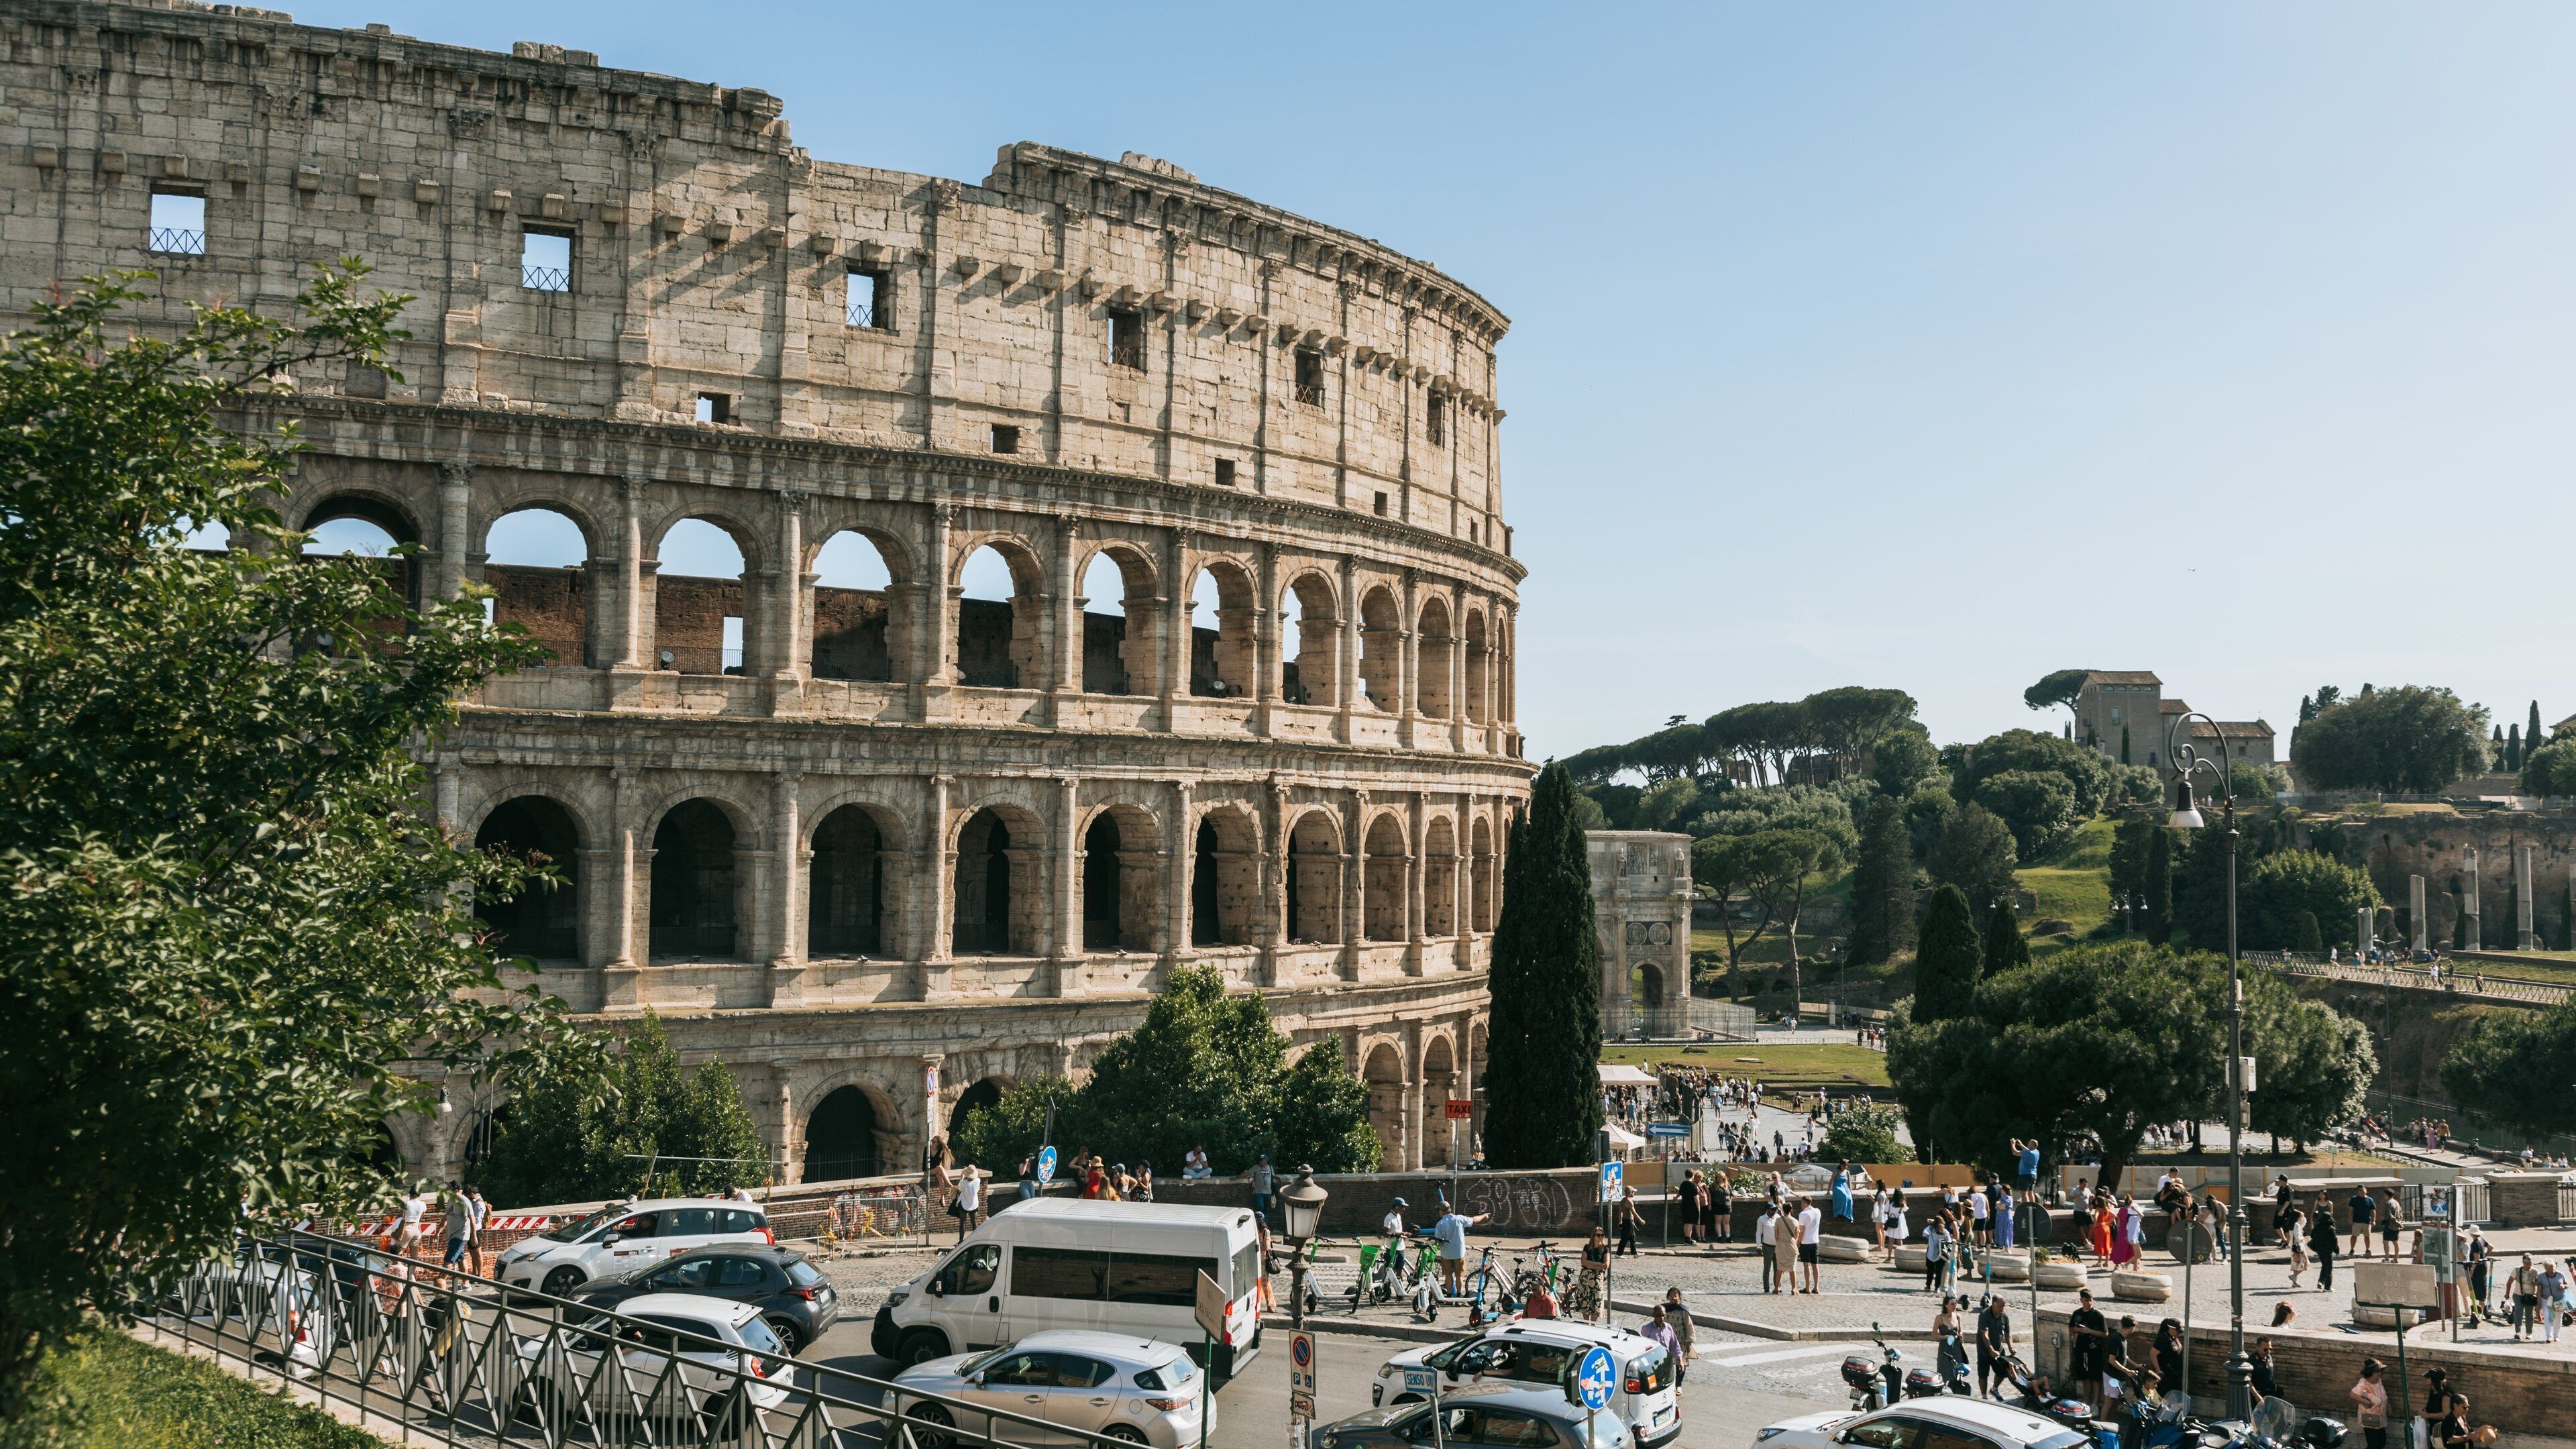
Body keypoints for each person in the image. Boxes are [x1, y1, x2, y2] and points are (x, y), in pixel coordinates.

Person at [1432, 1203, 1489, 1298]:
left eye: (1439, 1210)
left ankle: (1450, 1295)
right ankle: (1459, 1295)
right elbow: (1475, 1220)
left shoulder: (1440, 1224)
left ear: (1442, 1211)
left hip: (1446, 1254)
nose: (1438, 1212)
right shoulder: (1460, 1219)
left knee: (1448, 1276)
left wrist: (1437, 1247)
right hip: (1459, 1253)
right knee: (1459, 1276)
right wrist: (1484, 1216)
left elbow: (1438, 1241)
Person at [1976, 1294, 2014, 1399]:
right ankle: (1984, 1396)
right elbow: (1984, 1334)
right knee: (1983, 1374)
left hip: (1999, 1350)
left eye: (2003, 1306)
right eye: (2000, 1306)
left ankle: (1994, 1389)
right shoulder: (1984, 1315)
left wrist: (2011, 1347)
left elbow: (2007, 1333)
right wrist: (1991, 1349)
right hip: (1984, 1351)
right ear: (1993, 1304)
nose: (2002, 1309)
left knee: (2003, 1372)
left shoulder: (2004, 1316)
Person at [2350, 1358, 2391, 1449]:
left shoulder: (2378, 1381)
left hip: (2380, 1418)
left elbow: (2381, 1394)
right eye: (2377, 1372)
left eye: (2380, 1371)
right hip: (2370, 1419)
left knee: (2382, 1442)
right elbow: (2352, 1395)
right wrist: (2366, 1402)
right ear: (2371, 1373)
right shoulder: (2363, 1385)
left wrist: (2387, 1404)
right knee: (2374, 1445)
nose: (2380, 1373)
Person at [1571, 1226, 1611, 1320]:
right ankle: (1586, 1322)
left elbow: (1606, 1265)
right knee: (1585, 1300)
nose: (1600, 1237)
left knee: (1596, 1301)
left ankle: (1593, 1324)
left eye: (1602, 1235)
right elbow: (1583, 1262)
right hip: (1586, 1278)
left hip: (1597, 1279)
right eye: (1598, 1235)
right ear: (1593, 1236)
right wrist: (1598, 1264)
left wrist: (1591, 1265)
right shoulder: (1587, 1247)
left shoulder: (1606, 1249)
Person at [1662, 1287, 1695, 1383]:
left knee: (1680, 1362)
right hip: (1667, 1339)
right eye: (1671, 1296)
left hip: (1680, 1339)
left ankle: (1679, 1385)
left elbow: (1689, 1326)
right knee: (1666, 1361)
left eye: (1675, 1296)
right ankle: (1667, 1382)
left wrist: (1689, 1341)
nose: (1673, 1298)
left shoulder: (1683, 1311)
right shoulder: (1664, 1309)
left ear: (1679, 1297)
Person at [2508, 1254, 2542, 1341]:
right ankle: (2518, 1332)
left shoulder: (2535, 1272)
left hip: (2530, 1296)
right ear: (2523, 1263)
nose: (2529, 1266)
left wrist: (2536, 1285)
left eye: (2530, 1264)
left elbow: (2539, 1285)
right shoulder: (2517, 1270)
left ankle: (2529, 1333)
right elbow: (2509, 1282)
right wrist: (2507, 1293)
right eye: (2527, 1264)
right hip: (2518, 1295)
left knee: (2529, 1314)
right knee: (2518, 1311)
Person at [1640, 1302, 1683, 1370]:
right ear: (1654, 1315)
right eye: (1659, 1316)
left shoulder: (1668, 1327)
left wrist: (1680, 1361)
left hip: (1666, 1363)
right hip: (1652, 1364)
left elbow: (1675, 1345)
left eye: (1663, 1315)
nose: (1662, 1318)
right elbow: (1642, 1348)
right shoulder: (1647, 1329)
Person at [2310, 1199, 2341, 1293]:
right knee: (2329, 1268)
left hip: (2319, 1250)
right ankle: (2327, 1287)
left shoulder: (2318, 1226)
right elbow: (2334, 1240)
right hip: (2328, 1250)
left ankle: (2321, 1281)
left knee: (2324, 1265)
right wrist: (2336, 1249)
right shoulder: (2331, 1229)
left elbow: (2312, 1235)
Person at [1772, 1197, 1801, 1295]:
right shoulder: (1795, 1221)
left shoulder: (1778, 1221)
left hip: (1781, 1245)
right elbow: (1797, 1236)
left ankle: (1776, 1288)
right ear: (1791, 1210)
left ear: (1783, 1210)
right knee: (1792, 1268)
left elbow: (1776, 1236)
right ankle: (1794, 1289)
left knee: (1780, 1268)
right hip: (1791, 1245)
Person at [1797, 1195, 1824, 1292]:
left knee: (1806, 1266)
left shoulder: (1803, 1214)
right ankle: (1816, 1287)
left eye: (1801, 1203)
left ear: (1804, 1203)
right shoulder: (1818, 1211)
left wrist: (1798, 1241)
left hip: (1805, 1242)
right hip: (1815, 1241)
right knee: (1815, 1265)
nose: (1801, 1205)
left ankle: (1808, 1287)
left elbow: (1801, 1230)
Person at [952, 1165, 983, 1241]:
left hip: (964, 1204)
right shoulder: (978, 1181)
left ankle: (961, 1240)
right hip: (974, 1204)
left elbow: (959, 1189)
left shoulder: (964, 1183)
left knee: (963, 1222)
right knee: (974, 1223)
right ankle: (977, 1239)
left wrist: (962, 1178)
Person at [1754, 1203, 1780, 1293]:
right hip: (1767, 1246)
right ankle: (1766, 1287)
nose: (1774, 1212)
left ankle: (1777, 1286)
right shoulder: (1761, 1219)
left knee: (1778, 1268)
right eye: (1772, 1210)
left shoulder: (1778, 1218)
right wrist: (1758, 1246)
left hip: (1777, 1246)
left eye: (1775, 1210)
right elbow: (1758, 1233)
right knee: (1767, 1268)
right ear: (1767, 1210)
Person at [1616, 1185, 1644, 1257]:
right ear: (1630, 1192)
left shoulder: (1622, 1200)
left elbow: (1620, 1212)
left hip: (1626, 1221)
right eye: (1633, 1192)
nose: (1634, 1193)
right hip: (1629, 1222)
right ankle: (1619, 1254)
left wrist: (1620, 1221)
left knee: (1632, 1237)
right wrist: (1641, 1220)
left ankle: (1634, 1253)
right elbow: (1634, 1212)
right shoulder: (1629, 1202)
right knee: (1625, 1239)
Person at [1708, 1171, 1731, 1245]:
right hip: (1717, 1205)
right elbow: (1710, 1196)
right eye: (1718, 1177)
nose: (1719, 1179)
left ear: (1724, 1178)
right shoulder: (1713, 1186)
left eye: (1720, 1177)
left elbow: (1731, 1195)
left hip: (1726, 1205)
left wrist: (1730, 1202)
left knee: (1726, 1222)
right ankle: (1719, 1236)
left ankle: (1728, 1236)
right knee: (1718, 1221)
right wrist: (1710, 1204)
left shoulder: (1727, 1185)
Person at [1249, 1155, 1275, 1221]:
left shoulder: (1270, 1167)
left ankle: (1265, 1224)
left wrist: (1279, 1178)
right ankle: (1259, 1223)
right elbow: (1248, 1173)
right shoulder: (1256, 1167)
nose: (1260, 1161)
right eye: (1260, 1160)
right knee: (1260, 1207)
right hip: (1259, 1193)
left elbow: (1273, 1175)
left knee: (1266, 1210)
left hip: (1268, 1193)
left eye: (1262, 1160)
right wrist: (1237, 1177)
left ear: (1266, 1161)